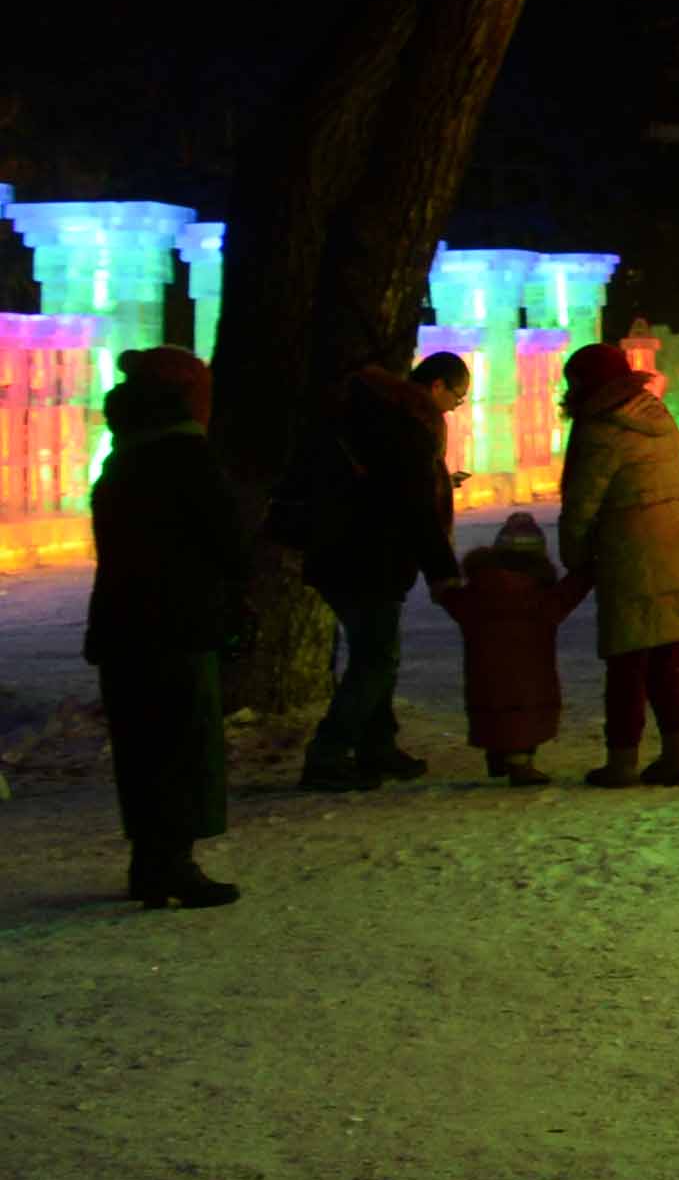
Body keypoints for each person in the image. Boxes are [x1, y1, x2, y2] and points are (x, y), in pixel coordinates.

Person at [85, 346, 249, 907]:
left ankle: (151, 862)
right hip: (178, 621)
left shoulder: (123, 457)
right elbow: (227, 539)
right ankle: (172, 864)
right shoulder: (186, 457)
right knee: (182, 743)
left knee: (142, 747)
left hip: (123, 622)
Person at [278, 351, 470, 788]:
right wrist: (443, 572)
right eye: (458, 396)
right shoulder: (407, 427)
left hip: (343, 551)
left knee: (377, 653)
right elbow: (412, 504)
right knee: (375, 658)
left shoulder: (375, 415)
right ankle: (328, 754)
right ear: (436, 386)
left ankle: (377, 746)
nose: (457, 407)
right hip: (366, 555)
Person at [556, 343, 679, 788]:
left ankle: (622, 759)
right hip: (678, 542)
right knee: (664, 659)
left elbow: (582, 501)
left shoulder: (599, 427)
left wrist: (574, 555)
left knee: (627, 662)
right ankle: (677, 753)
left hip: (629, 551)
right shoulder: (657, 416)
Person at [434, 512, 588, 786]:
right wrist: (587, 571)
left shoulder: (476, 593)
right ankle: (520, 766)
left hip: (486, 677)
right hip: (531, 677)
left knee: (494, 713)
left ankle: (498, 756)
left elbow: (451, 597)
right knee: (523, 719)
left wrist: (444, 587)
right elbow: (569, 593)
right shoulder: (541, 598)